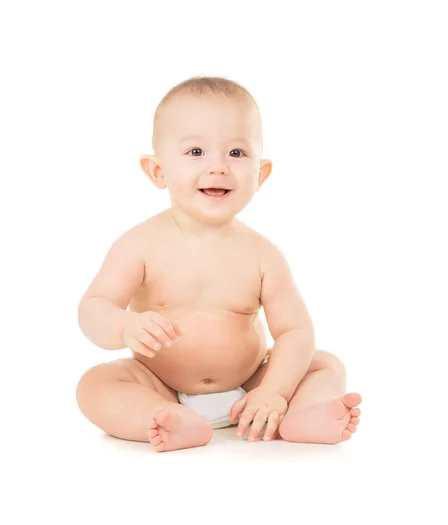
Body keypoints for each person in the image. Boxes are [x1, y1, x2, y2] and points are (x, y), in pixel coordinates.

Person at [76, 76, 362, 453]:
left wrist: (273, 391)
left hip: (250, 388)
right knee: (94, 386)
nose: (218, 167)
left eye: (237, 153)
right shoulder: (138, 246)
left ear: (260, 175)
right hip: (159, 382)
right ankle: (164, 417)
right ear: (157, 171)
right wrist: (125, 326)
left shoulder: (263, 255)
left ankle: (298, 415)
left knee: (326, 365)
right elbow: (93, 308)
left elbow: (295, 331)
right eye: (196, 152)